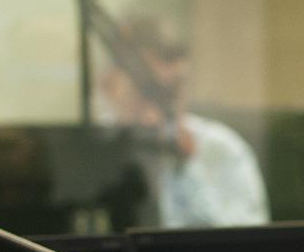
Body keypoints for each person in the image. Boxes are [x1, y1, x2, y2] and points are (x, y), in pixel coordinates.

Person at [98, 16, 269, 228]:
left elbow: (246, 241)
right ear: (110, 85)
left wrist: (189, 166)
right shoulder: (92, 149)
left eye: (171, 91)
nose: (158, 108)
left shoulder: (223, 149)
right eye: (147, 90)